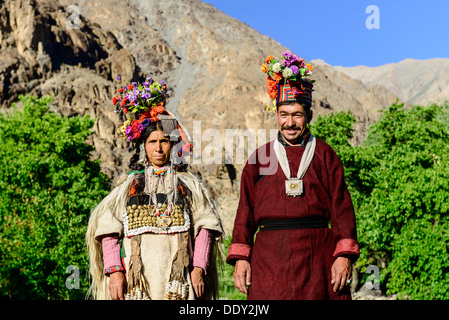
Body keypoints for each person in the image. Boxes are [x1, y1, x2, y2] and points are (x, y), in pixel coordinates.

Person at [226, 51, 359, 300]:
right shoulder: (260, 158)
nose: (290, 123)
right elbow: (245, 211)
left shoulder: (324, 154)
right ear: (276, 116)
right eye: (284, 115)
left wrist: (343, 256)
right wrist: (242, 258)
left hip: (318, 256)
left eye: (297, 115)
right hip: (269, 260)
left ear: (308, 116)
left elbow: (342, 209)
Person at [86, 76, 224, 300]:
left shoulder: (189, 186)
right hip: (137, 284)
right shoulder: (128, 187)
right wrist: (115, 272)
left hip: (180, 283)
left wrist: (199, 269)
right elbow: (108, 230)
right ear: (143, 146)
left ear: (172, 145)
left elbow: (206, 227)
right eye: (152, 142)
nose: (158, 148)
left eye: (164, 141)